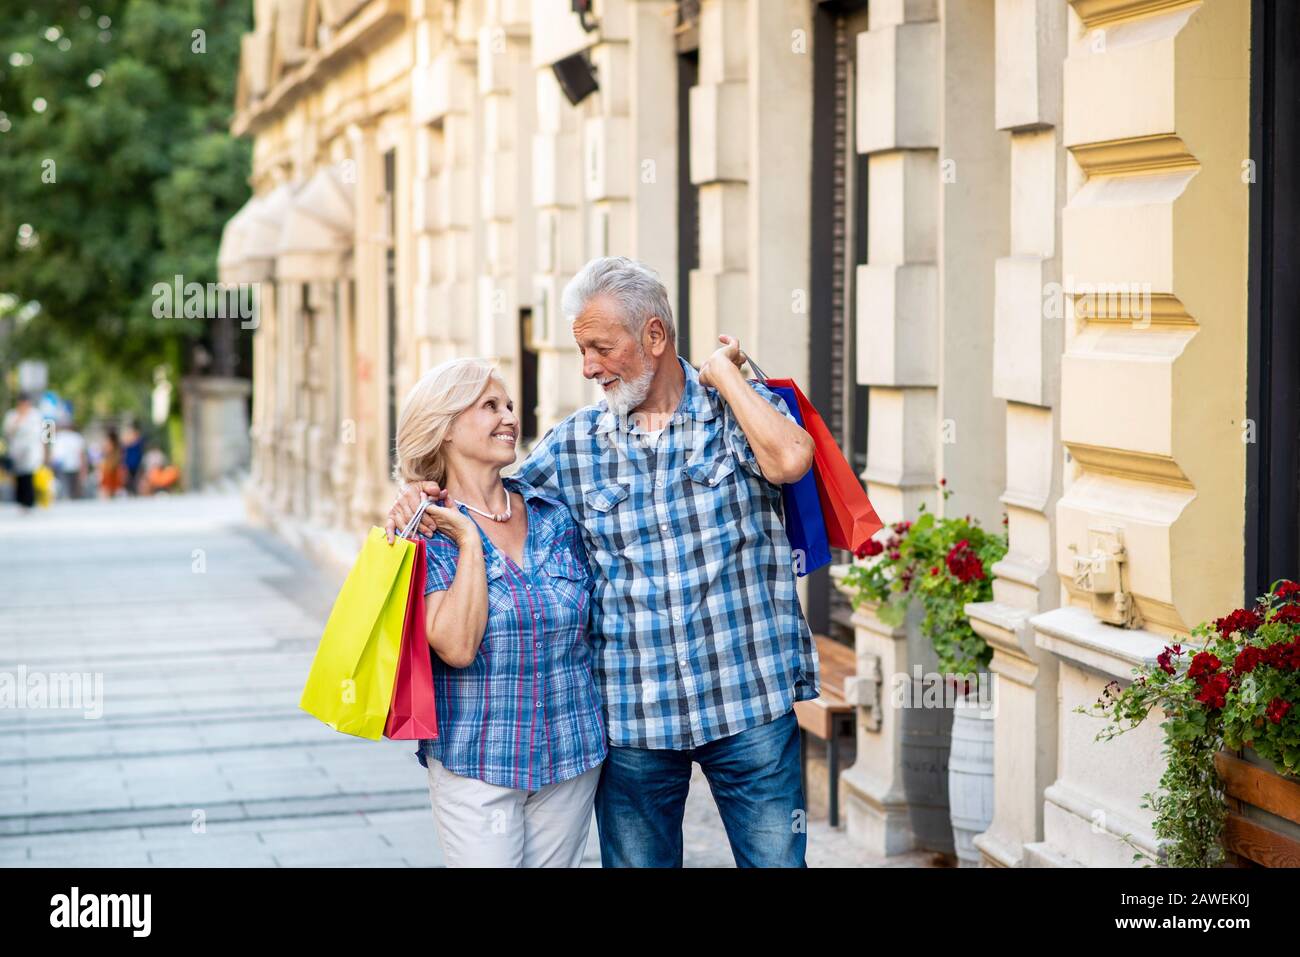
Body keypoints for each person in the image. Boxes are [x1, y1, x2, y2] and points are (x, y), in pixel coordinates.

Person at [389, 256, 818, 867]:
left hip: (747, 702)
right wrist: (414, 496)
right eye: (581, 351)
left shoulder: (734, 418)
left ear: (654, 336)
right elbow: (488, 500)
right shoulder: (572, 446)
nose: (588, 366)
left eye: (600, 347)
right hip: (633, 723)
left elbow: (791, 461)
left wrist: (724, 377)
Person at [393, 357, 606, 867]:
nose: (509, 417)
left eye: (509, 405)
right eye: (490, 406)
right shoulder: (423, 532)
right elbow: (457, 646)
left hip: (571, 755)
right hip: (478, 761)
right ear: (444, 428)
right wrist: (467, 537)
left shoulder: (554, 516)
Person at [2, 393, 45, 510]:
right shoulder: (12, 415)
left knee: (29, 475)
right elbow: (7, 431)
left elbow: (47, 430)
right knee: (19, 476)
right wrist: (18, 420)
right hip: (16, 450)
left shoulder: (36, 414)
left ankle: (30, 501)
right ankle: (21, 501)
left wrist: (48, 448)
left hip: (32, 450)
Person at [52, 420, 88, 500]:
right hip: (74, 466)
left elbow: (54, 454)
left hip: (62, 466)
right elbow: (81, 455)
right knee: (74, 491)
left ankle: (66, 501)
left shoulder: (59, 436)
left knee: (64, 490)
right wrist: (83, 469)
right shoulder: (77, 437)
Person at [99, 429, 125, 499]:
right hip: (113, 469)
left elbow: (105, 454)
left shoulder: (110, 445)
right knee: (113, 492)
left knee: (108, 491)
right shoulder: (118, 447)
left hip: (109, 469)